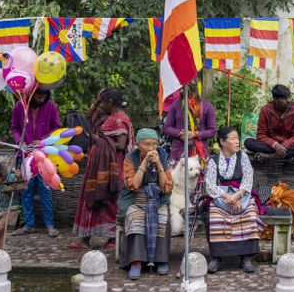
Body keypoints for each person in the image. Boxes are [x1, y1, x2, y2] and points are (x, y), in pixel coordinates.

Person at [70, 89, 134, 250]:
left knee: (109, 201)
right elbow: (88, 116)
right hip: (99, 164)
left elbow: (121, 145)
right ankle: (86, 238)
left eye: (103, 102)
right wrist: (98, 101)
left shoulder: (119, 120)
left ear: (110, 103)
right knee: (92, 198)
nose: (101, 105)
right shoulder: (109, 117)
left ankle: (111, 238)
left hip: (111, 167)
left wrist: (98, 139)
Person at [206, 126, 263, 274]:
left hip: (241, 193)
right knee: (214, 216)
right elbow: (210, 184)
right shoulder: (213, 160)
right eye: (233, 139)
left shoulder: (242, 157)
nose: (237, 142)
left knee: (250, 213)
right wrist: (228, 198)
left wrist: (237, 196)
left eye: (237, 139)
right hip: (221, 195)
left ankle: (246, 258)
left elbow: (248, 178)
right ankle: (216, 257)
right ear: (223, 142)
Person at [118, 128, 173, 279]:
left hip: (157, 199)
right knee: (135, 218)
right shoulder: (130, 158)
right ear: (137, 144)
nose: (151, 149)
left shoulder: (162, 156)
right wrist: (143, 163)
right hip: (135, 199)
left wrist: (159, 166)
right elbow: (133, 185)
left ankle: (161, 260)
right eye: (146, 144)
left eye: (154, 144)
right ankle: (136, 262)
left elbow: (166, 186)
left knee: (162, 218)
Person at [11, 88, 61, 237]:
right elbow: (14, 129)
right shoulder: (20, 106)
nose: (42, 98)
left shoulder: (51, 106)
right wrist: (20, 140)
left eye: (45, 95)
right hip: (24, 153)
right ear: (32, 93)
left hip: (44, 155)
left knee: (45, 189)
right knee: (26, 190)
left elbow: (56, 128)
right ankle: (28, 225)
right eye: (39, 94)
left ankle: (50, 225)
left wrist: (43, 141)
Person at [244, 84, 294, 162]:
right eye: (284, 98)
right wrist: (275, 145)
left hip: (288, 145)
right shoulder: (265, 110)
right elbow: (261, 135)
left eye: (288, 97)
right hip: (271, 145)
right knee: (248, 143)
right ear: (275, 99)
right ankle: (288, 155)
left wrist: (284, 145)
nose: (288, 100)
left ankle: (270, 156)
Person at [162, 81, 217, 165]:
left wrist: (195, 134)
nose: (180, 91)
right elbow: (167, 127)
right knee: (177, 177)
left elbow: (212, 131)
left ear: (194, 88)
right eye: (180, 88)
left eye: (184, 88)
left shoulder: (207, 106)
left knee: (198, 177)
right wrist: (180, 133)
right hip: (178, 152)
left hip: (199, 153)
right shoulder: (176, 105)